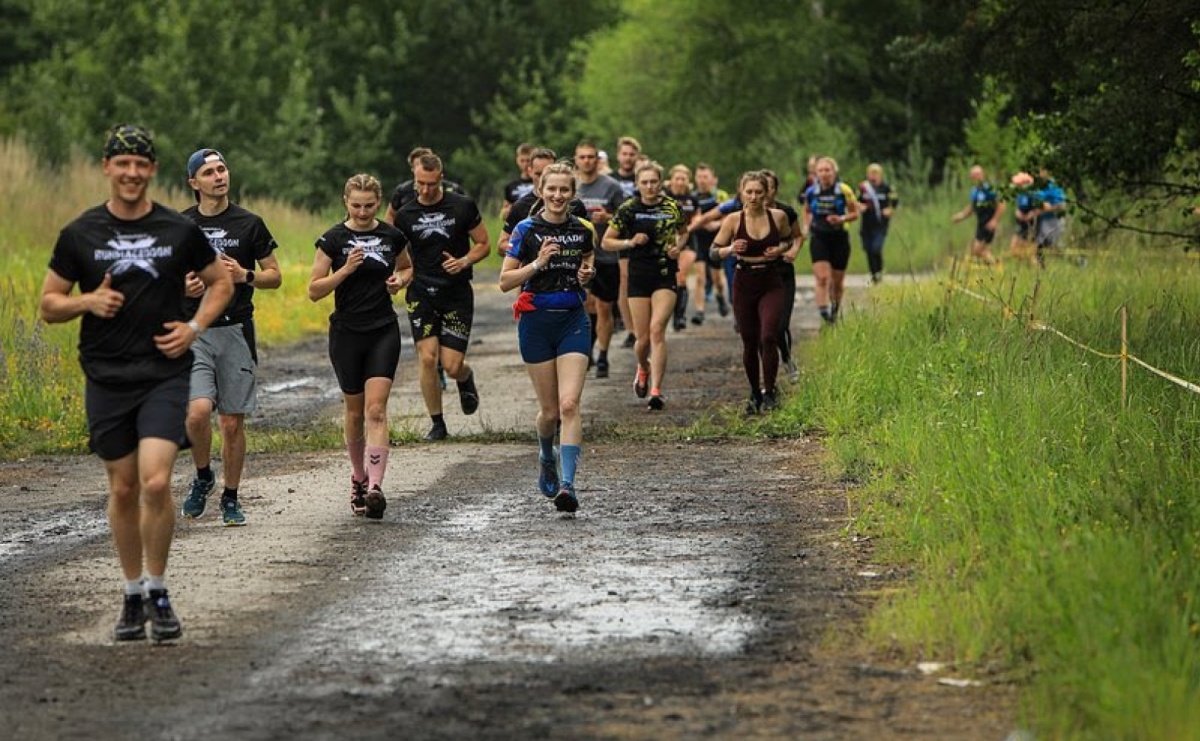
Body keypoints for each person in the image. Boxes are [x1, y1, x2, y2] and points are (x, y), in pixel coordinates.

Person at [40, 124, 234, 642]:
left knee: (153, 480)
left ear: (151, 170)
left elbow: (221, 282)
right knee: (123, 487)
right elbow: (49, 304)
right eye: (121, 163)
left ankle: (159, 588)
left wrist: (194, 328)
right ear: (108, 168)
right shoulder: (81, 233)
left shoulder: (177, 230)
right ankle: (131, 595)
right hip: (106, 375)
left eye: (140, 164)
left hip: (163, 372)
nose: (130, 172)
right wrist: (87, 302)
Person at [180, 149, 283, 527]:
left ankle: (230, 496)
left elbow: (275, 275)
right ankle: (204, 474)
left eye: (222, 169)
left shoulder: (250, 223)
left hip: (236, 329)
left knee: (231, 423)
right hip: (197, 331)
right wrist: (184, 288)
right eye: (209, 172)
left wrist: (245, 275)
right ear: (194, 183)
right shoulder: (180, 224)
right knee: (197, 412)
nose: (219, 177)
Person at [308, 174, 411, 519]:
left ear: (378, 203)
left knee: (376, 410)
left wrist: (399, 281)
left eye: (369, 206)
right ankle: (358, 477)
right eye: (356, 206)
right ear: (345, 202)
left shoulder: (391, 236)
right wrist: (345, 271)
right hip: (347, 332)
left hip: (383, 328)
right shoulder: (333, 239)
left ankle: (376, 488)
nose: (363, 212)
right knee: (354, 412)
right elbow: (315, 290)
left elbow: (407, 268)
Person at [499, 162, 596, 513]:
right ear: (540, 191)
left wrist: (586, 274)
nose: (557, 196)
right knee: (550, 412)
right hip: (535, 321)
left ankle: (568, 486)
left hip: (572, 318)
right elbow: (505, 281)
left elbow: (586, 262)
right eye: (551, 189)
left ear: (572, 194)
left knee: (570, 405)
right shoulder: (526, 229)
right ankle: (545, 453)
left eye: (564, 190)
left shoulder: (583, 229)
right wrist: (538, 263)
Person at [391, 153, 490, 440]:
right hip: (421, 292)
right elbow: (397, 255)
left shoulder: (462, 206)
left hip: (456, 293)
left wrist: (464, 261)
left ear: (441, 178)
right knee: (426, 358)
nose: (425, 190)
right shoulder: (405, 214)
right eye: (420, 183)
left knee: (451, 364)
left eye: (431, 184)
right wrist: (398, 278)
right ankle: (437, 423)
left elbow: (483, 243)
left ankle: (465, 377)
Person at [601, 161, 688, 410]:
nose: (650, 187)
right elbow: (607, 242)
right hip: (639, 274)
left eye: (654, 182)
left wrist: (678, 247)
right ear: (637, 184)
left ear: (661, 183)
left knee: (657, 330)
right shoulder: (629, 209)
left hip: (664, 273)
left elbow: (684, 231)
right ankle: (643, 366)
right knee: (642, 339)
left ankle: (656, 391)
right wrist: (629, 242)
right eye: (645, 182)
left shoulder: (672, 207)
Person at [710, 171, 794, 413]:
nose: (754, 197)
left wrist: (779, 249)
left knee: (769, 336)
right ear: (741, 192)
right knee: (749, 340)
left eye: (759, 192)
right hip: (744, 281)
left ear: (766, 193)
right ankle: (754, 393)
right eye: (749, 192)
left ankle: (770, 392)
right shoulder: (733, 220)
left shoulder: (777, 217)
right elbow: (713, 252)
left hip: (770, 280)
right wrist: (730, 249)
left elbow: (789, 240)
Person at [574, 140, 627, 379]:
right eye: (582, 157)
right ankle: (588, 351)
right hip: (577, 255)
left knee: (604, 307)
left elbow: (627, 217)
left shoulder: (612, 186)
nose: (586, 161)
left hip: (605, 256)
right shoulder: (570, 185)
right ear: (576, 159)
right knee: (586, 304)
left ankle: (603, 355)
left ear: (598, 160)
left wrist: (609, 217)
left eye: (590, 157)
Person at [497, 147, 588, 258]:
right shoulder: (520, 206)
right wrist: (531, 247)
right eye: (538, 174)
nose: (542, 179)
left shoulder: (574, 204)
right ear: (529, 171)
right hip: (533, 271)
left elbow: (589, 243)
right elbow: (502, 246)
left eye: (547, 173)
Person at [803, 157, 860, 324]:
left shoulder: (844, 190)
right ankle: (824, 312)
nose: (824, 173)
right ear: (816, 173)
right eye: (821, 170)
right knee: (821, 278)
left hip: (839, 237)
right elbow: (806, 211)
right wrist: (806, 227)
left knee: (837, 281)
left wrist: (841, 219)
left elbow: (855, 214)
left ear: (834, 172)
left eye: (828, 170)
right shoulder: (811, 191)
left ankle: (834, 310)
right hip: (819, 236)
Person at [689, 163, 730, 324]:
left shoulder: (720, 195)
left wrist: (716, 224)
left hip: (716, 242)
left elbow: (728, 217)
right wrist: (701, 223)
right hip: (698, 241)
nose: (702, 180)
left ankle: (720, 296)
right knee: (699, 278)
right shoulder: (693, 197)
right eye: (699, 177)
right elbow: (691, 217)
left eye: (705, 177)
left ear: (712, 178)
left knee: (717, 280)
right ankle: (699, 311)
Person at [383, 146, 468, 222]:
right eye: (419, 165)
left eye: (427, 163)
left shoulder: (453, 189)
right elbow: (390, 215)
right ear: (413, 168)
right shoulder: (403, 191)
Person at [612, 136, 641, 349]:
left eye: (632, 154)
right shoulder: (610, 180)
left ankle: (644, 326)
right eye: (625, 153)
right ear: (618, 155)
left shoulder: (644, 177)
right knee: (625, 280)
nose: (628, 158)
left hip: (645, 234)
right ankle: (631, 330)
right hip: (620, 235)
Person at [665, 164, 701, 331]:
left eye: (683, 179)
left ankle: (679, 317)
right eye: (677, 178)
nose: (680, 182)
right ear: (671, 180)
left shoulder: (692, 199)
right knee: (668, 278)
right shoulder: (664, 197)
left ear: (688, 181)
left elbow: (697, 219)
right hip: (666, 241)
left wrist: (684, 231)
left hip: (688, 241)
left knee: (681, 276)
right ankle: (667, 312)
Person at [951, 165, 1004, 266]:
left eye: (978, 175)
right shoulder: (974, 191)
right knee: (978, 251)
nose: (976, 177)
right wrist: (961, 216)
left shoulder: (989, 188)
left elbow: (1001, 204)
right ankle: (992, 268)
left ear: (983, 175)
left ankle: (997, 266)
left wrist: (995, 220)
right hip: (981, 223)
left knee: (979, 250)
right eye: (974, 176)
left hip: (989, 222)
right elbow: (972, 208)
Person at [857, 163, 898, 284]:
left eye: (876, 173)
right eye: (871, 173)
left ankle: (879, 272)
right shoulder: (863, 188)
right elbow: (855, 201)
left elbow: (894, 202)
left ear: (880, 175)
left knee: (876, 248)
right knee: (868, 249)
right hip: (866, 224)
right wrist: (861, 207)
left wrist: (889, 210)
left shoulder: (887, 188)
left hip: (880, 224)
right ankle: (873, 274)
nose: (873, 176)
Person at [1034, 167, 1068, 266]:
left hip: (1054, 221)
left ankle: (1078, 261)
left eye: (1042, 171)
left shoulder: (1054, 185)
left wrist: (1049, 207)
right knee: (1038, 244)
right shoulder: (1037, 187)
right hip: (1042, 220)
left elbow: (1062, 205)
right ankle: (1041, 268)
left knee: (1054, 246)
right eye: (1039, 171)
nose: (1040, 173)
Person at [500, 142, 536, 220]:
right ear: (517, 160)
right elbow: (504, 214)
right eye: (522, 161)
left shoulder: (540, 184)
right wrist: (506, 212)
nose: (525, 164)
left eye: (528, 160)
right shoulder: (511, 187)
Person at [1010, 171, 1039, 267]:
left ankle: (1036, 270)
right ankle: (1024, 265)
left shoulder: (1033, 194)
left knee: (1030, 253)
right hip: (1021, 224)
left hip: (1030, 225)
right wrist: (1018, 213)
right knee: (1014, 249)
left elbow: (1039, 208)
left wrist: (1031, 214)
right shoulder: (1020, 194)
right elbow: (1019, 208)